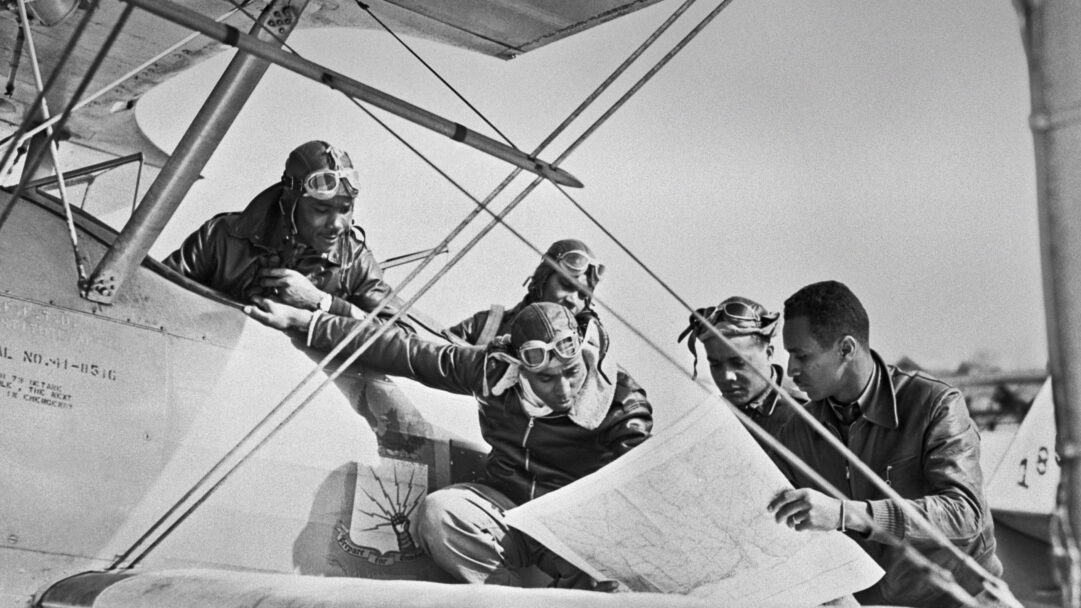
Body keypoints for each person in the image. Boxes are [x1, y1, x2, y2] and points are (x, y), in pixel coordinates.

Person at [246, 298, 652, 588]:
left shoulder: (621, 399)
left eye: (571, 372)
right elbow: (405, 351)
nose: (563, 388)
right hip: (506, 507)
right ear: (518, 367)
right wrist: (308, 321)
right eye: (546, 379)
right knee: (441, 513)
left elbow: (637, 490)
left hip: (575, 527)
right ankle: (508, 603)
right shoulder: (491, 371)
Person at [767, 280, 1001, 607]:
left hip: (960, 599)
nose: (790, 370)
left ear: (846, 349)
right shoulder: (796, 430)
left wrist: (846, 514)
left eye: (801, 356)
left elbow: (964, 514)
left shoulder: (936, 405)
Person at [164, 140, 404, 322]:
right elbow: (156, 293)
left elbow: (398, 333)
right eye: (321, 209)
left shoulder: (355, 262)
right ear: (291, 201)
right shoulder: (223, 237)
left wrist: (323, 302)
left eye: (345, 209)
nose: (337, 224)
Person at [677, 295, 803, 443]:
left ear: (768, 354)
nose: (726, 377)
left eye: (738, 363)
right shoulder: (708, 422)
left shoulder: (807, 418)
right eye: (715, 365)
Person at [447, 238, 604, 346]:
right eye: (566, 285)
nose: (573, 300)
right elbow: (439, 357)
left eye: (584, 295)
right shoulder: (485, 327)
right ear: (542, 279)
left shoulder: (590, 354)